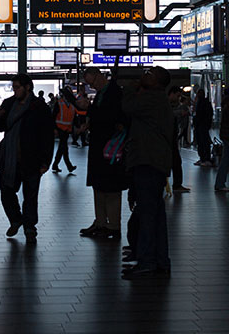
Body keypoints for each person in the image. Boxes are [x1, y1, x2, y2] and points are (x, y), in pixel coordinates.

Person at [121, 66, 174, 278]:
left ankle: (147, 262)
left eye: (151, 73)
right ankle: (160, 261)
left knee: (148, 215)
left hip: (148, 162)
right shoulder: (157, 99)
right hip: (155, 163)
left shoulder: (152, 98)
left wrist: (129, 88)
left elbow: (127, 106)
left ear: (158, 82)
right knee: (155, 214)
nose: (145, 73)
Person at [0, 74, 54, 243]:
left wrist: (45, 161)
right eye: (13, 87)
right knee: (6, 191)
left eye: (17, 87)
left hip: (31, 158)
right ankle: (16, 219)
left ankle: (29, 226)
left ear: (28, 87)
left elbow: (47, 136)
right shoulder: (9, 103)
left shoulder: (39, 107)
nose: (15, 91)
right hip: (10, 158)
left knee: (30, 195)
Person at [80, 67, 126, 239]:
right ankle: (101, 222)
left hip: (110, 149)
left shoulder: (113, 94)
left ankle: (112, 225)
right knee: (99, 185)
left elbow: (109, 118)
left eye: (92, 82)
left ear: (99, 76)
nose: (92, 86)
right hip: (101, 147)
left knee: (111, 187)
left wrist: (89, 110)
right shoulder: (102, 93)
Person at [168, 86, 190, 193]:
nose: (178, 98)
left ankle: (173, 184)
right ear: (171, 93)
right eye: (177, 96)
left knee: (174, 161)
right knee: (175, 161)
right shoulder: (165, 105)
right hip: (168, 136)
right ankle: (176, 184)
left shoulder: (168, 104)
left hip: (169, 136)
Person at [51, 87, 77, 174]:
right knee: (64, 148)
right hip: (60, 128)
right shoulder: (59, 103)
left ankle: (55, 165)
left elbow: (74, 117)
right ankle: (69, 166)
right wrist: (54, 128)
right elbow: (53, 116)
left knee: (62, 148)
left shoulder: (72, 104)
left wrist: (78, 127)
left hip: (67, 129)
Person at [192, 89, 213, 167]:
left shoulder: (200, 103)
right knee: (203, 142)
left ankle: (204, 158)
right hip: (203, 125)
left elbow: (199, 114)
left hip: (201, 125)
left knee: (202, 142)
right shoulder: (206, 103)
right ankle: (205, 158)